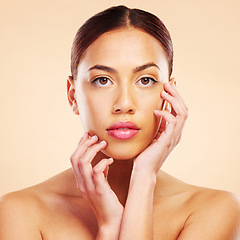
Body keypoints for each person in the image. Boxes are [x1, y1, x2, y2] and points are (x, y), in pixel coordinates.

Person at [0, 5, 240, 240]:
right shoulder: (19, 212)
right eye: (103, 80)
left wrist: (144, 177)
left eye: (145, 80)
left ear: (169, 95)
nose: (124, 103)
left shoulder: (215, 210)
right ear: (73, 95)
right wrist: (109, 227)